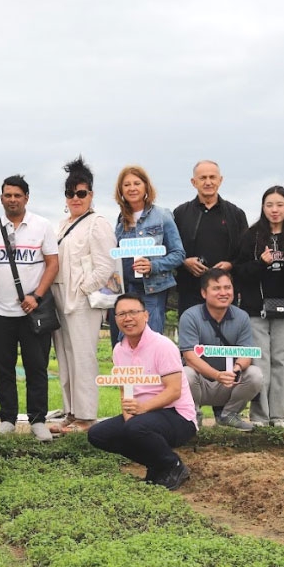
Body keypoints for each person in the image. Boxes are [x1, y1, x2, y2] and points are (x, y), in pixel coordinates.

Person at [0, 175, 59, 441]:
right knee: (3, 367)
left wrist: (37, 295)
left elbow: (52, 263)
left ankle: (38, 420)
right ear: (1, 198)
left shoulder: (42, 226)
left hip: (32, 311)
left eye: (17, 195)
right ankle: (8, 417)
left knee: (37, 366)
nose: (12, 199)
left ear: (26, 198)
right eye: (8, 195)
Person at [87, 293, 197, 490]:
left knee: (136, 428)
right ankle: (157, 464)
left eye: (133, 312)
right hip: (142, 415)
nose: (127, 318)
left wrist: (141, 410)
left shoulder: (162, 345)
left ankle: (173, 465)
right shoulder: (119, 350)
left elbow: (174, 391)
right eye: (121, 314)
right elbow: (124, 389)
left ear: (146, 315)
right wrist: (129, 415)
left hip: (177, 416)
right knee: (98, 434)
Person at [232, 186, 284, 427]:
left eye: (279, 205)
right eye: (269, 205)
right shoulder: (250, 237)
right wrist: (260, 263)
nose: (274, 210)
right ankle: (259, 417)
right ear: (263, 208)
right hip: (255, 311)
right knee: (259, 362)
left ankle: (280, 415)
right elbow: (239, 273)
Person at [49, 157, 117, 434]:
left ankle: (87, 416)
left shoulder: (97, 223)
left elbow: (105, 267)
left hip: (82, 302)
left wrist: (81, 290)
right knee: (65, 356)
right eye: (70, 194)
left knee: (83, 356)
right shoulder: (62, 225)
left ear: (91, 194)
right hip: (58, 298)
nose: (75, 199)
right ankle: (71, 412)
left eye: (81, 193)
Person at [178, 268, 264, 431]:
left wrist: (236, 370)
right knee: (185, 373)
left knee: (255, 374)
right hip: (200, 382)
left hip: (229, 382)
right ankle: (192, 415)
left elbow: (246, 354)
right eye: (216, 288)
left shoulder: (242, 316)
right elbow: (189, 357)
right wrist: (217, 375)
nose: (223, 293)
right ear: (204, 293)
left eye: (227, 287)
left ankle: (229, 415)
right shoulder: (190, 316)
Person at [111, 165, 184, 340]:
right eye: (126, 185)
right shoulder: (121, 220)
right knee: (125, 341)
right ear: (121, 190)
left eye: (137, 183)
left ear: (146, 186)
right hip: (127, 291)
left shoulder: (162, 215)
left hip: (152, 290)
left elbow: (178, 254)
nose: (132, 188)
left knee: (150, 341)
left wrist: (153, 265)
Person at [173, 160, 248, 316]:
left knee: (226, 338)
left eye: (212, 177)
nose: (208, 182)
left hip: (224, 292)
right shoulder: (181, 213)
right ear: (194, 182)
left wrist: (230, 265)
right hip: (190, 290)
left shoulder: (236, 214)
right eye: (203, 178)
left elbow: (245, 253)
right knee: (192, 338)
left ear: (220, 180)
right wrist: (185, 262)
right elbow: (171, 248)